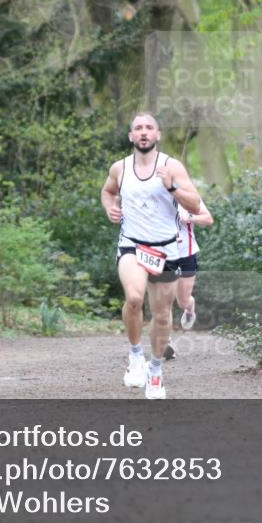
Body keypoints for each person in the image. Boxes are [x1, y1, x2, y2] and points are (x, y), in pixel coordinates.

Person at [101, 112, 202, 399]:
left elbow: (194, 204)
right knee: (134, 298)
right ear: (131, 136)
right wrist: (109, 207)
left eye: (149, 128)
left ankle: (155, 371)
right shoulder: (119, 168)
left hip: (165, 248)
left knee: (161, 314)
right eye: (138, 128)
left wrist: (171, 186)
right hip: (132, 244)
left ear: (157, 135)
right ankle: (135, 356)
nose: (143, 132)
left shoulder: (172, 166)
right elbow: (107, 192)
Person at [164, 200, 214, 360]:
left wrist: (190, 217)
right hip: (163, 254)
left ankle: (190, 308)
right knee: (164, 299)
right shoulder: (154, 196)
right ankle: (166, 342)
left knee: (183, 301)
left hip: (187, 254)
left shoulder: (187, 196)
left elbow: (208, 219)